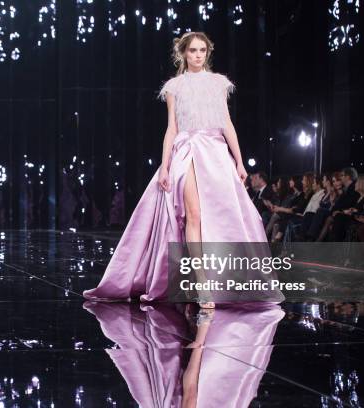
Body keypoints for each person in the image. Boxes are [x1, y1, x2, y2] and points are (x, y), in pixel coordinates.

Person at [83, 32, 270, 306]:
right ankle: (203, 285)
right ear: (183, 53)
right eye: (193, 50)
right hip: (187, 151)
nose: (197, 55)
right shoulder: (175, 86)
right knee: (192, 215)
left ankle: (223, 279)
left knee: (219, 217)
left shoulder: (219, 84)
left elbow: (227, 123)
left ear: (208, 52)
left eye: (202, 50)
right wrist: (165, 165)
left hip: (216, 153)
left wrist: (240, 161)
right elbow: (171, 127)